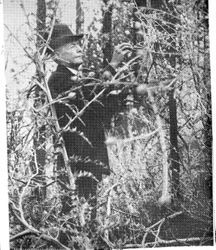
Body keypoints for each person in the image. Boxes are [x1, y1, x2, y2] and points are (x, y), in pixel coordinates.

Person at [47, 24, 131, 214]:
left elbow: (97, 112)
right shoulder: (57, 79)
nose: (79, 49)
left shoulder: (77, 79)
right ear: (56, 56)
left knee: (88, 218)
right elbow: (86, 98)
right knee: (76, 218)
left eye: (78, 44)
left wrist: (120, 95)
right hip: (75, 163)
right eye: (71, 46)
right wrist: (112, 66)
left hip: (88, 160)